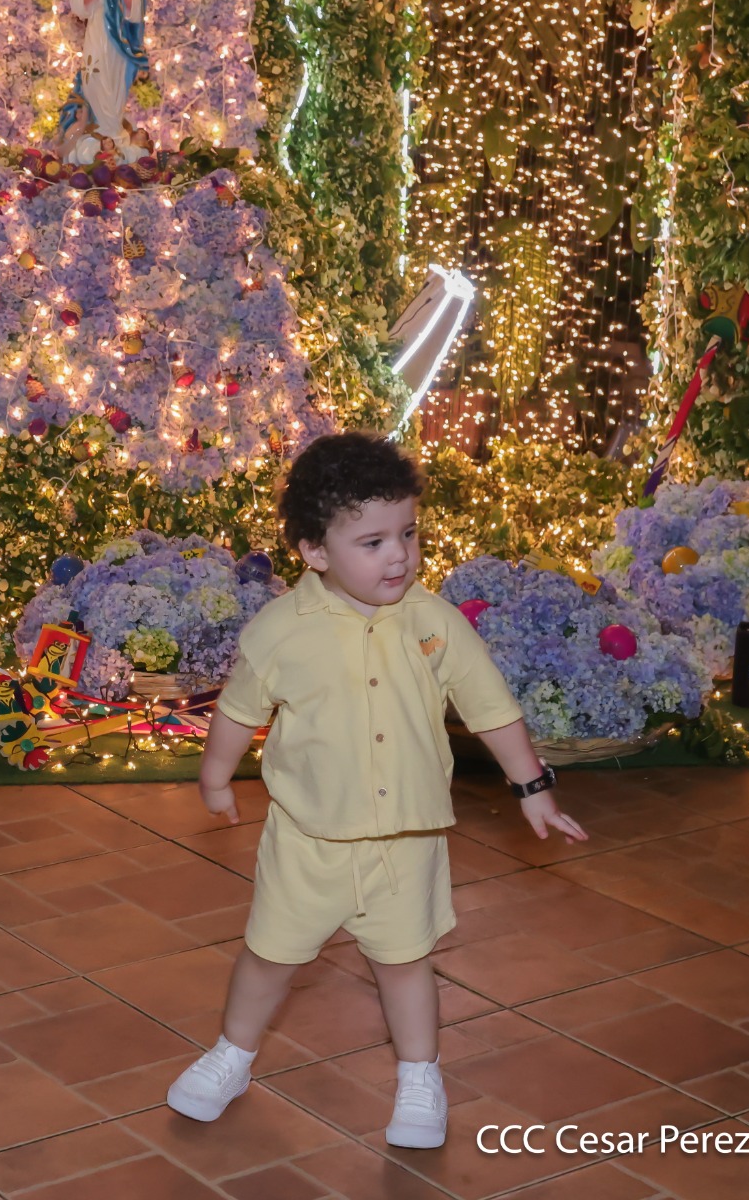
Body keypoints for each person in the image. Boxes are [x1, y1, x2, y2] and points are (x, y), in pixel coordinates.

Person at [166, 432, 588, 1144]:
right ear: (314, 550)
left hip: (406, 841)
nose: (399, 555)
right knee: (269, 957)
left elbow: (490, 707)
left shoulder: (434, 622)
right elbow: (238, 712)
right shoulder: (280, 631)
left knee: (405, 964)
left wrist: (532, 786)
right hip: (308, 842)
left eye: (407, 534)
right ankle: (232, 1055)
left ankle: (420, 1077)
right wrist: (214, 777)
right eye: (372, 542)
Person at [56, 0, 151, 164]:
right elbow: (77, 1)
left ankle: (113, 127)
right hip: (97, 33)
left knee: (116, 78)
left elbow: (139, 7)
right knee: (95, 75)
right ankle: (98, 126)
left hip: (119, 39)